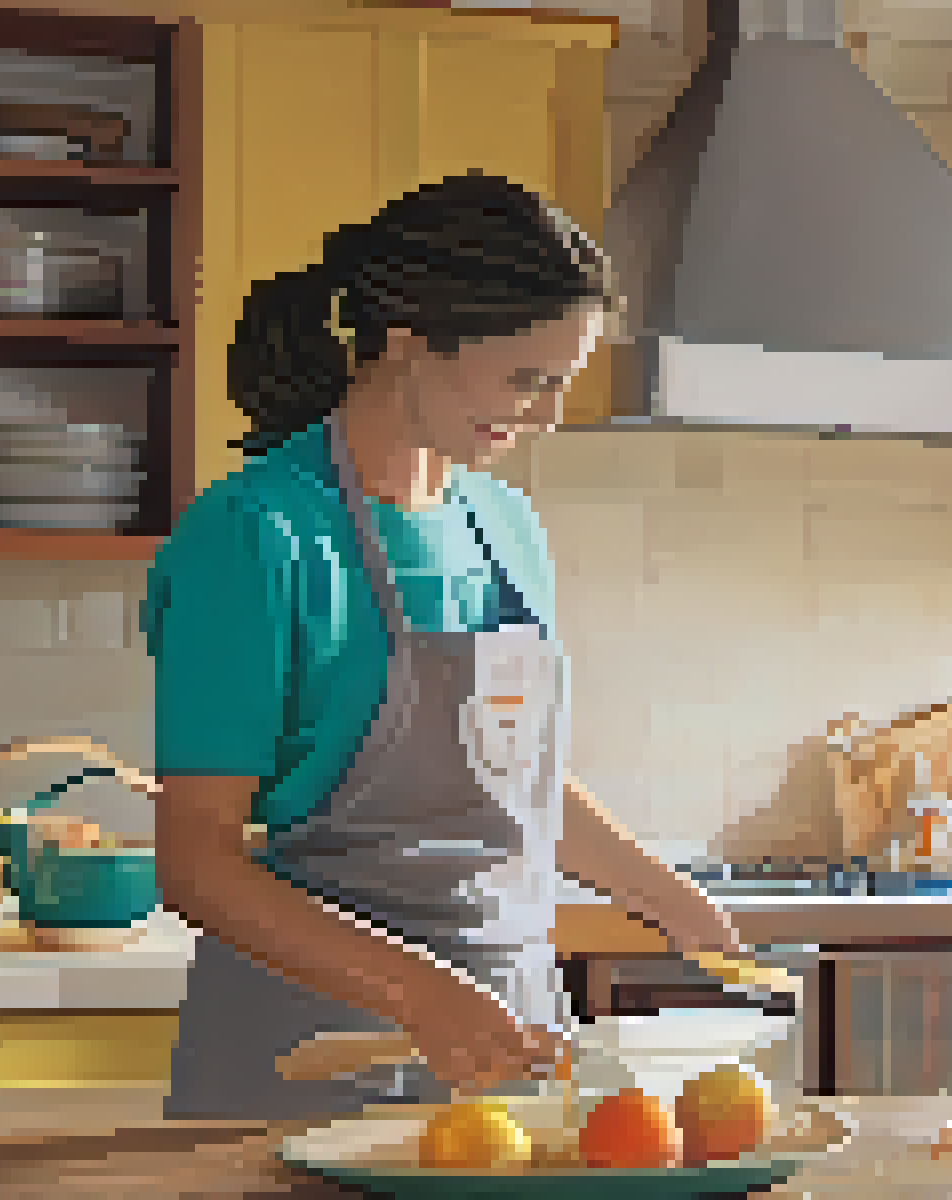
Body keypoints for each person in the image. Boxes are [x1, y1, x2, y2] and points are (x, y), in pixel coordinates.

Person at [145, 171, 743, 1120]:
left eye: (561, 384)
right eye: (526, 380)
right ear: (406, 340)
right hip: (309, 1050)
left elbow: (516, 781)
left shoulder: (505, 524)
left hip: (506, 1044)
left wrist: (667, 899)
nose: (546, 415)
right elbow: (195, 859)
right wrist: (418, 992)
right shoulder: (257, 535)